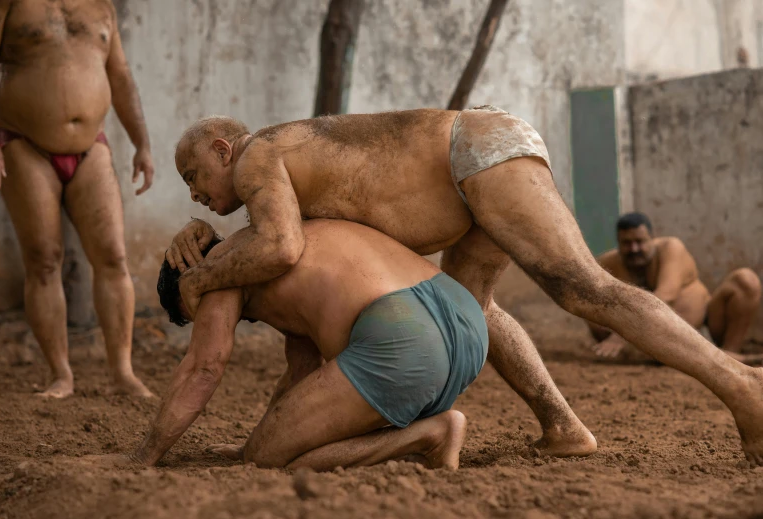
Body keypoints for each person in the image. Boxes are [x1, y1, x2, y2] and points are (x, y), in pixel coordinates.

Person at [165, 110, 763, 466]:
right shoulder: (278, 165)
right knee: (477, 306)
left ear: (223, 149)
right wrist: (202, 236)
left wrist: (200, 275)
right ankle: (563, 428)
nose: (193, 191)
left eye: (193, 175)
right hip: (471, 165)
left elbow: (280, 248)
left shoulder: (255, 156)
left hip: (471, 153)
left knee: (585, 290)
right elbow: (275, 247)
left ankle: (741, 387)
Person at [129, 219, 486, 470]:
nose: (209, 321)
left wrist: (141, 456)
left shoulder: (218, 272)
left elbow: (203, 368)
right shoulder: (277, 241)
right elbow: (302, 374)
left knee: (266, 457)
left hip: (405, 337)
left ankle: (431, 434)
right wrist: (253, 442)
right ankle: (422, 439)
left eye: (196, 315)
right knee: (267, 446)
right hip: (465, 318)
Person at [0, 1, 154, 398]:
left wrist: (142, 144)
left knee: (113, 255)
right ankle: (62, 375)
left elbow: (120, 73)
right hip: (21, 141)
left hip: (91, 145)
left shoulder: (101, 5)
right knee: (43, 259)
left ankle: (123, 372)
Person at [589, 212, 762, 365]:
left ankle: (729, 356)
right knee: (588, 297)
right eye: (626, 243)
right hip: (647, 343)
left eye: (639, 242)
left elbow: (663, 298)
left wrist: (620, 336)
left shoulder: (671, 248)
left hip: (704, 329)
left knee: (746, 280)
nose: (634, 249)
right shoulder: (607, 263)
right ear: (618, 243)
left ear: (652, 238)